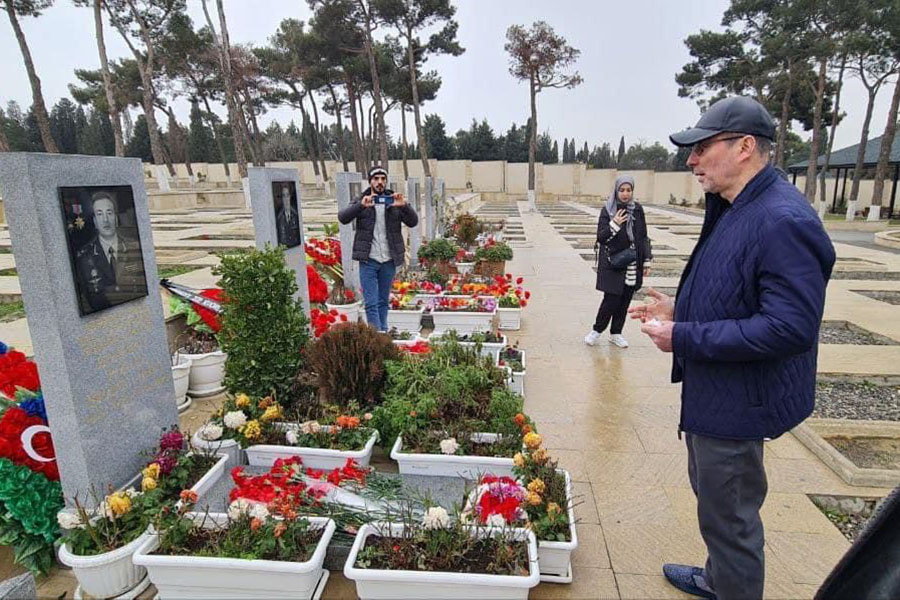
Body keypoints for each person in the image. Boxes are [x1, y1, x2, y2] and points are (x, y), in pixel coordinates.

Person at [631, 96, 836, 600]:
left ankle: (732, 585)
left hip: (740, 403)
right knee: (716, 506)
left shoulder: (781, 219)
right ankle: (717, 579)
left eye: (702, 148)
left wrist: (684, 336)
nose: (691, 160)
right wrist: (683, 309)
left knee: (732, 520)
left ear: (746, 147)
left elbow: (789, 327)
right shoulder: (737, 206)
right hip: (716, 394)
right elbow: (740, 289)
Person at [337, 166, 418, 331]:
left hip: (388, 259)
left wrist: (404, 206)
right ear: (370, 181)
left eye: (383, 179)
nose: (380, 182)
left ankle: (383, 332)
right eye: (376, 179)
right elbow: (343, 217)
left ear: (386, 181)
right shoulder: (362, 199)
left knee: (383, 301)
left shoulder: (394, 200)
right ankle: (378, 336)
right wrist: (361, 205)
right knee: (371, 303)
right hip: (369, 260)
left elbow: (413, 222)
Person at [584, 175, 652, 348]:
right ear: (616, 190)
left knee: (625, 301)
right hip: (614, 262)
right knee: (611, 300)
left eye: (629, 190)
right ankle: (596, 330)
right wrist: (614, 224)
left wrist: (646, 260)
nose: (625, 194)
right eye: (622, 190)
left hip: (632, 263)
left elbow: (643, 236)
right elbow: (601, 237)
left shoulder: (637, 209)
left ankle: (616, 333)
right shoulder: (608, 210)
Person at [74, 190, 148, 314]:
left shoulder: (134, 247)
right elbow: (85, 299)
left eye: (109, 213)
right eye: (99, 214)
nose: (105, 220)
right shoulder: (84, 257)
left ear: (116, 218)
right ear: (94, 221)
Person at [275, 184, 302, 248]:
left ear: (290, 196)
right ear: (281, 198)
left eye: (287, 195)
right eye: (284, 196)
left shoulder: (295, 214)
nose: (286, 199)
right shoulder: (279, 217)